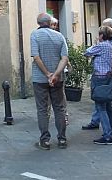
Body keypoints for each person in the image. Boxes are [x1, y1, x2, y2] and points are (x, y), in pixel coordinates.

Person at [31, 13, 69, 150]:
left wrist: (47, 74)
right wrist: (56, 75)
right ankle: (62, 139)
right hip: (58, 79)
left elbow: (36, 57)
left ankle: (45, 140)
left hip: (40, 78)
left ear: (38, 23)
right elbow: (64, 58)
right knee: (59, 108)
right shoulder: (59, 36)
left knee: (42, 109)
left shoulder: (35, 35)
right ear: (49, 22)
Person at [84, 25, 112, 145]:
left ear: (102, 35)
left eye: (99, 34)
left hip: (99, 78)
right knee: (109, 106)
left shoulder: (101, 45)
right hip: (110, 77)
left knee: (100, 107)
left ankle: (107, 136)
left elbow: (87, 52)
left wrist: (94, 44)